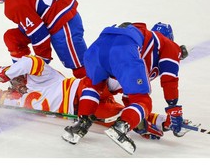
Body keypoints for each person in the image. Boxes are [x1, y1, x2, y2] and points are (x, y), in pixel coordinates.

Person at [0, 55, 166, 139]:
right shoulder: (12, 97)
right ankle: (158, 122)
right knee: (117, 118)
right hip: (79, 111)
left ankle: (143, 70)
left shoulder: (39, 76)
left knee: (119, 83)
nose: (17, 83)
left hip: (84, 90)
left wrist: (6, 70)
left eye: (17, 78)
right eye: (13, 81)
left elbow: (29, 61)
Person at [62, 22, 186, 154]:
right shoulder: (168, 44)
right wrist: (174, 109)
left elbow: (129, 95)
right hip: (122, 49)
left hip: (98, 46)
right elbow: (170, 79)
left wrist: (140, 124)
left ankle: (80, 125)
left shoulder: (145, 45)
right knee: (143, 100)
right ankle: (120, 128)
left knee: (94, 85)